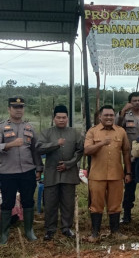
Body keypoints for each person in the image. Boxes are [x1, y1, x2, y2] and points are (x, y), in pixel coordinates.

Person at [84, 105, 132, 242]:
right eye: (106, 115)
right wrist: (101, 144)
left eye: (111, 115)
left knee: (115, 204)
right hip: (97, 176)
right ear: (100, 117)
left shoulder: (121, 131)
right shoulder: (92, 132)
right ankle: (95, 233)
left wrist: (128, 172)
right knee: (96, 205)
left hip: (116, 175)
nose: (109, 117)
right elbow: (87, 150)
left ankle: (115, 231)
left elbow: (126, 152)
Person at [37, 105, 83, 240]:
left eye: (64, 117)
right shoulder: (47, 133)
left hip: (69, 172)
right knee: (50, 202)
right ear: (54, 118)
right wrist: (55, 144)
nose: (61, 120)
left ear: (67, 118)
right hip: (52, 173)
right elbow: (39, 148)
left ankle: (66, 227)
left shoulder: (74, 133)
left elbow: (80, 150)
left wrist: (68, 164)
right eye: (59, 117)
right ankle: (50, 229)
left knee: (68, 202)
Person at [0, 97, 43, 244]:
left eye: (21, 107)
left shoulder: (29, 127)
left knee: (28, 201)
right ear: (9, 109)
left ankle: (29, 231)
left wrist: (39, 168)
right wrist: (9, 145)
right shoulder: (2, 127)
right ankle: (4, 233)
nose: (18, 110)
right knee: (7, 202)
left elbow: (35, 150)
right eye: (15, 107)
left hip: (27, 171)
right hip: (7, 172)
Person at [116, 92, 139, 224]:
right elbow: (116, 127)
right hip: (131, 158)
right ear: (129, 102)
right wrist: (122, 112)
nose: (137, 103)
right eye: (134, 101)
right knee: (130, 188)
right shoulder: (125, 116)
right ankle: (126, 214)